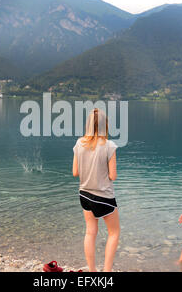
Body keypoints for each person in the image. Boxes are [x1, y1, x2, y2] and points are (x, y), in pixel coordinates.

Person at [72, 108, 120, 272]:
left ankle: (92, 272)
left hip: (84, 195)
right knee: (114, 233)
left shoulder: (79, 143)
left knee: (90, 232)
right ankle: (107, 272)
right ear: (105, 125)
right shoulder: (109, 146)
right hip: (103, 197)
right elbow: (113, 176)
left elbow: (75, 172)